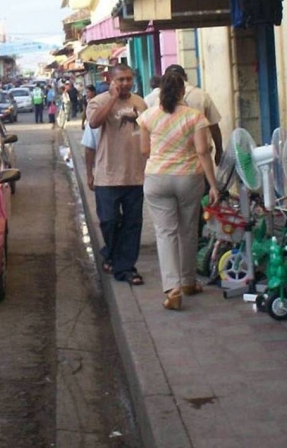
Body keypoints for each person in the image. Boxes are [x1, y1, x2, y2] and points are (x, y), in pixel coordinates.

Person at [138, 71, 220, 310]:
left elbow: (145, 151)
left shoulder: (147, 116)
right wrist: (213, 185)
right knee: (188, 230)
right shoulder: (194, 117)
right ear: (183, 92)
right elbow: (203, 152)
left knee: (165, 233)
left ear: (160, 92)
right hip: (188, 178)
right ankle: (188, 282)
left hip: (156, 178)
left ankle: (172, 287)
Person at [87, 63, 148, 285]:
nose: (125, 83)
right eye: (120, 79)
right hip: (108, 176)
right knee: (109, 221)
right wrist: (112, 98)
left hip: (135, 175)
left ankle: (126, 268)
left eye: (128, 79)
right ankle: (111, 253)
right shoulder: (98, 102)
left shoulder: (140, 103)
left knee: (133, 223)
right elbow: (94, 123)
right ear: (111, 80)